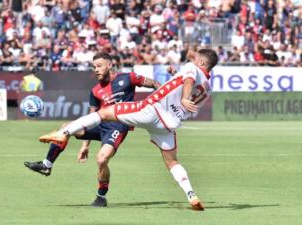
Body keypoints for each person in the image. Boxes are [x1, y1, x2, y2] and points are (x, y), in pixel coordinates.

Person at [38, 49, 219, 211]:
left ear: (202, 63)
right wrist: (176, 78)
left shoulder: (191, 69)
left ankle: (63, 134)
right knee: (172, 162)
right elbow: (184, 88)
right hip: (168, 125)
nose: (193, 60)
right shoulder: (207, 88)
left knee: (104, 112)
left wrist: (185, 96)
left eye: (196, 59)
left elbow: (188, 81)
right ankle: (191, 195)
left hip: (152, 110)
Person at [24, 52, 160, 207]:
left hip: (118, 126)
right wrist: (85, 145)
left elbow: (154, 83)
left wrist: (163, 99)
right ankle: (47, 165)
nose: (96, 70)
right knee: (65, 128)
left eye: (99, 66)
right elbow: (89, 119)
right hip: (100, 125)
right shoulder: (95, 91)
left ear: (110, 65)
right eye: (94, 67)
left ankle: (101, 198)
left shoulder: (128, 78)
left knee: (102, 159)